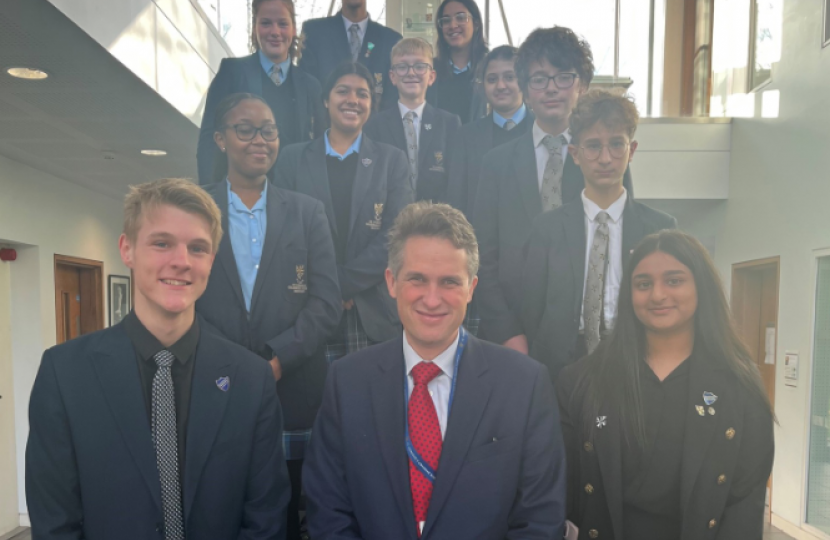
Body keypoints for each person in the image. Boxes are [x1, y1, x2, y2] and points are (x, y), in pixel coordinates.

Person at [26, 178, 289, 539]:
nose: (181, 262)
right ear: (127, 249)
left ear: (212, 260)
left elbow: (266, 515)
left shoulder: (250, 379)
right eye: (162, 243)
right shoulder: (66, 374)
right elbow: (54, 520)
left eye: (198, 248)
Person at [303, 201, 567, 539]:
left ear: (471, 288)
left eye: (449, 282)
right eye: (417, 279)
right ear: (391, 282)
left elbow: (540, 519)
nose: (431, 299)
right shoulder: (347, 383)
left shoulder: (524, 385)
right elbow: (327, 511)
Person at [556, 229, 775, 540]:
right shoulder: (582, 381)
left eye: (674, 281)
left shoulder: (739, 385)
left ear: (702, 287)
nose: (657, 295)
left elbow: (745, 499)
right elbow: (565, 489)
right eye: (643, 284)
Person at [195, 93, 342, 540]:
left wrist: (276, 360)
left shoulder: (307, 212)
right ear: (221, 139)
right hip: (214, 387)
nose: (260, 139)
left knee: (291, 517)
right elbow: (184, 295)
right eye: (245, 129)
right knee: (220, 511)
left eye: (270, 130)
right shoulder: (195, 209)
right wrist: (232, 365)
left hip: (294, 391)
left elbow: (326, 302)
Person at [473, 26, 634, 352]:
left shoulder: (606, 160)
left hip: (585, 336)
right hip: (513, 336)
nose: (551, 89)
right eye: (539, 79)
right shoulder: (496, 164)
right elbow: (482, 257)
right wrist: (507, 333)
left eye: (563, 77)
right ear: (526, 90)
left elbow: (619, 240)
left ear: (582, 86)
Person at [522, 89, 676, 381]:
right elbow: (533, 310)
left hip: (637, 365)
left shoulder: (660, 228)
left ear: (631, 151)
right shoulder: (547, 229)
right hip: (561, 370)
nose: (605, 158)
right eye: (593, 146)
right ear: (575, 154)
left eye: (616, 144)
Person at [274, 62, 414, 361]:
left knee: (373, 405)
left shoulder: (392, 161)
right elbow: (286, 233)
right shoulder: (292, 159)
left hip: (374, 314)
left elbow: (396, 236)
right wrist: (327, 288)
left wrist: (342, 284)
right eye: (343, 91)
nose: (353, 100)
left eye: (362, 94)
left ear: (370, 105)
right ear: (326, 100)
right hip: (307, 309)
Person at [197, 0, 326, 184]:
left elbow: (320, 148)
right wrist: (209, 196)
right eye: (266, 23)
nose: (275, 32)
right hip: (239, 198)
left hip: (294, 199)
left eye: (282, 23)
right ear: (255, 28)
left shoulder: (311, 86)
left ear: (294, 29)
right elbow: (208, 140)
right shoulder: (231, 73)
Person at [364, 38, 461, 202]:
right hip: (391, 219)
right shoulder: (374, 125)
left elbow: (455, 181)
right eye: (402, 67)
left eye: (420, 66)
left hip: (437, 220)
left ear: (431, 77)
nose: (411, 73)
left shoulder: (450, 124)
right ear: (392, 77)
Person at [446, 45, 532, 218]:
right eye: (492, 79)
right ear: (483, 85)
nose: (500, 86)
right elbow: (456, 200)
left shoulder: (542, 130)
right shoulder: (466, 137)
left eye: (509, 77)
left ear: (524, 80)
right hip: (480, 241)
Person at [298, 0, 402, 111]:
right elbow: (308, 90)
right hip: (327, 125)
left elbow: (392, 97)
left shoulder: (391, 40)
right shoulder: (315, 32)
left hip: (375, 126)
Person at [426, 0, 488, 124]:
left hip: (480, 142)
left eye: (461, 17)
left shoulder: (489, 68)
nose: (453, 25)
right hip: (439, 142)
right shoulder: (429, 70)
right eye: (446, 20)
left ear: (476, 23)